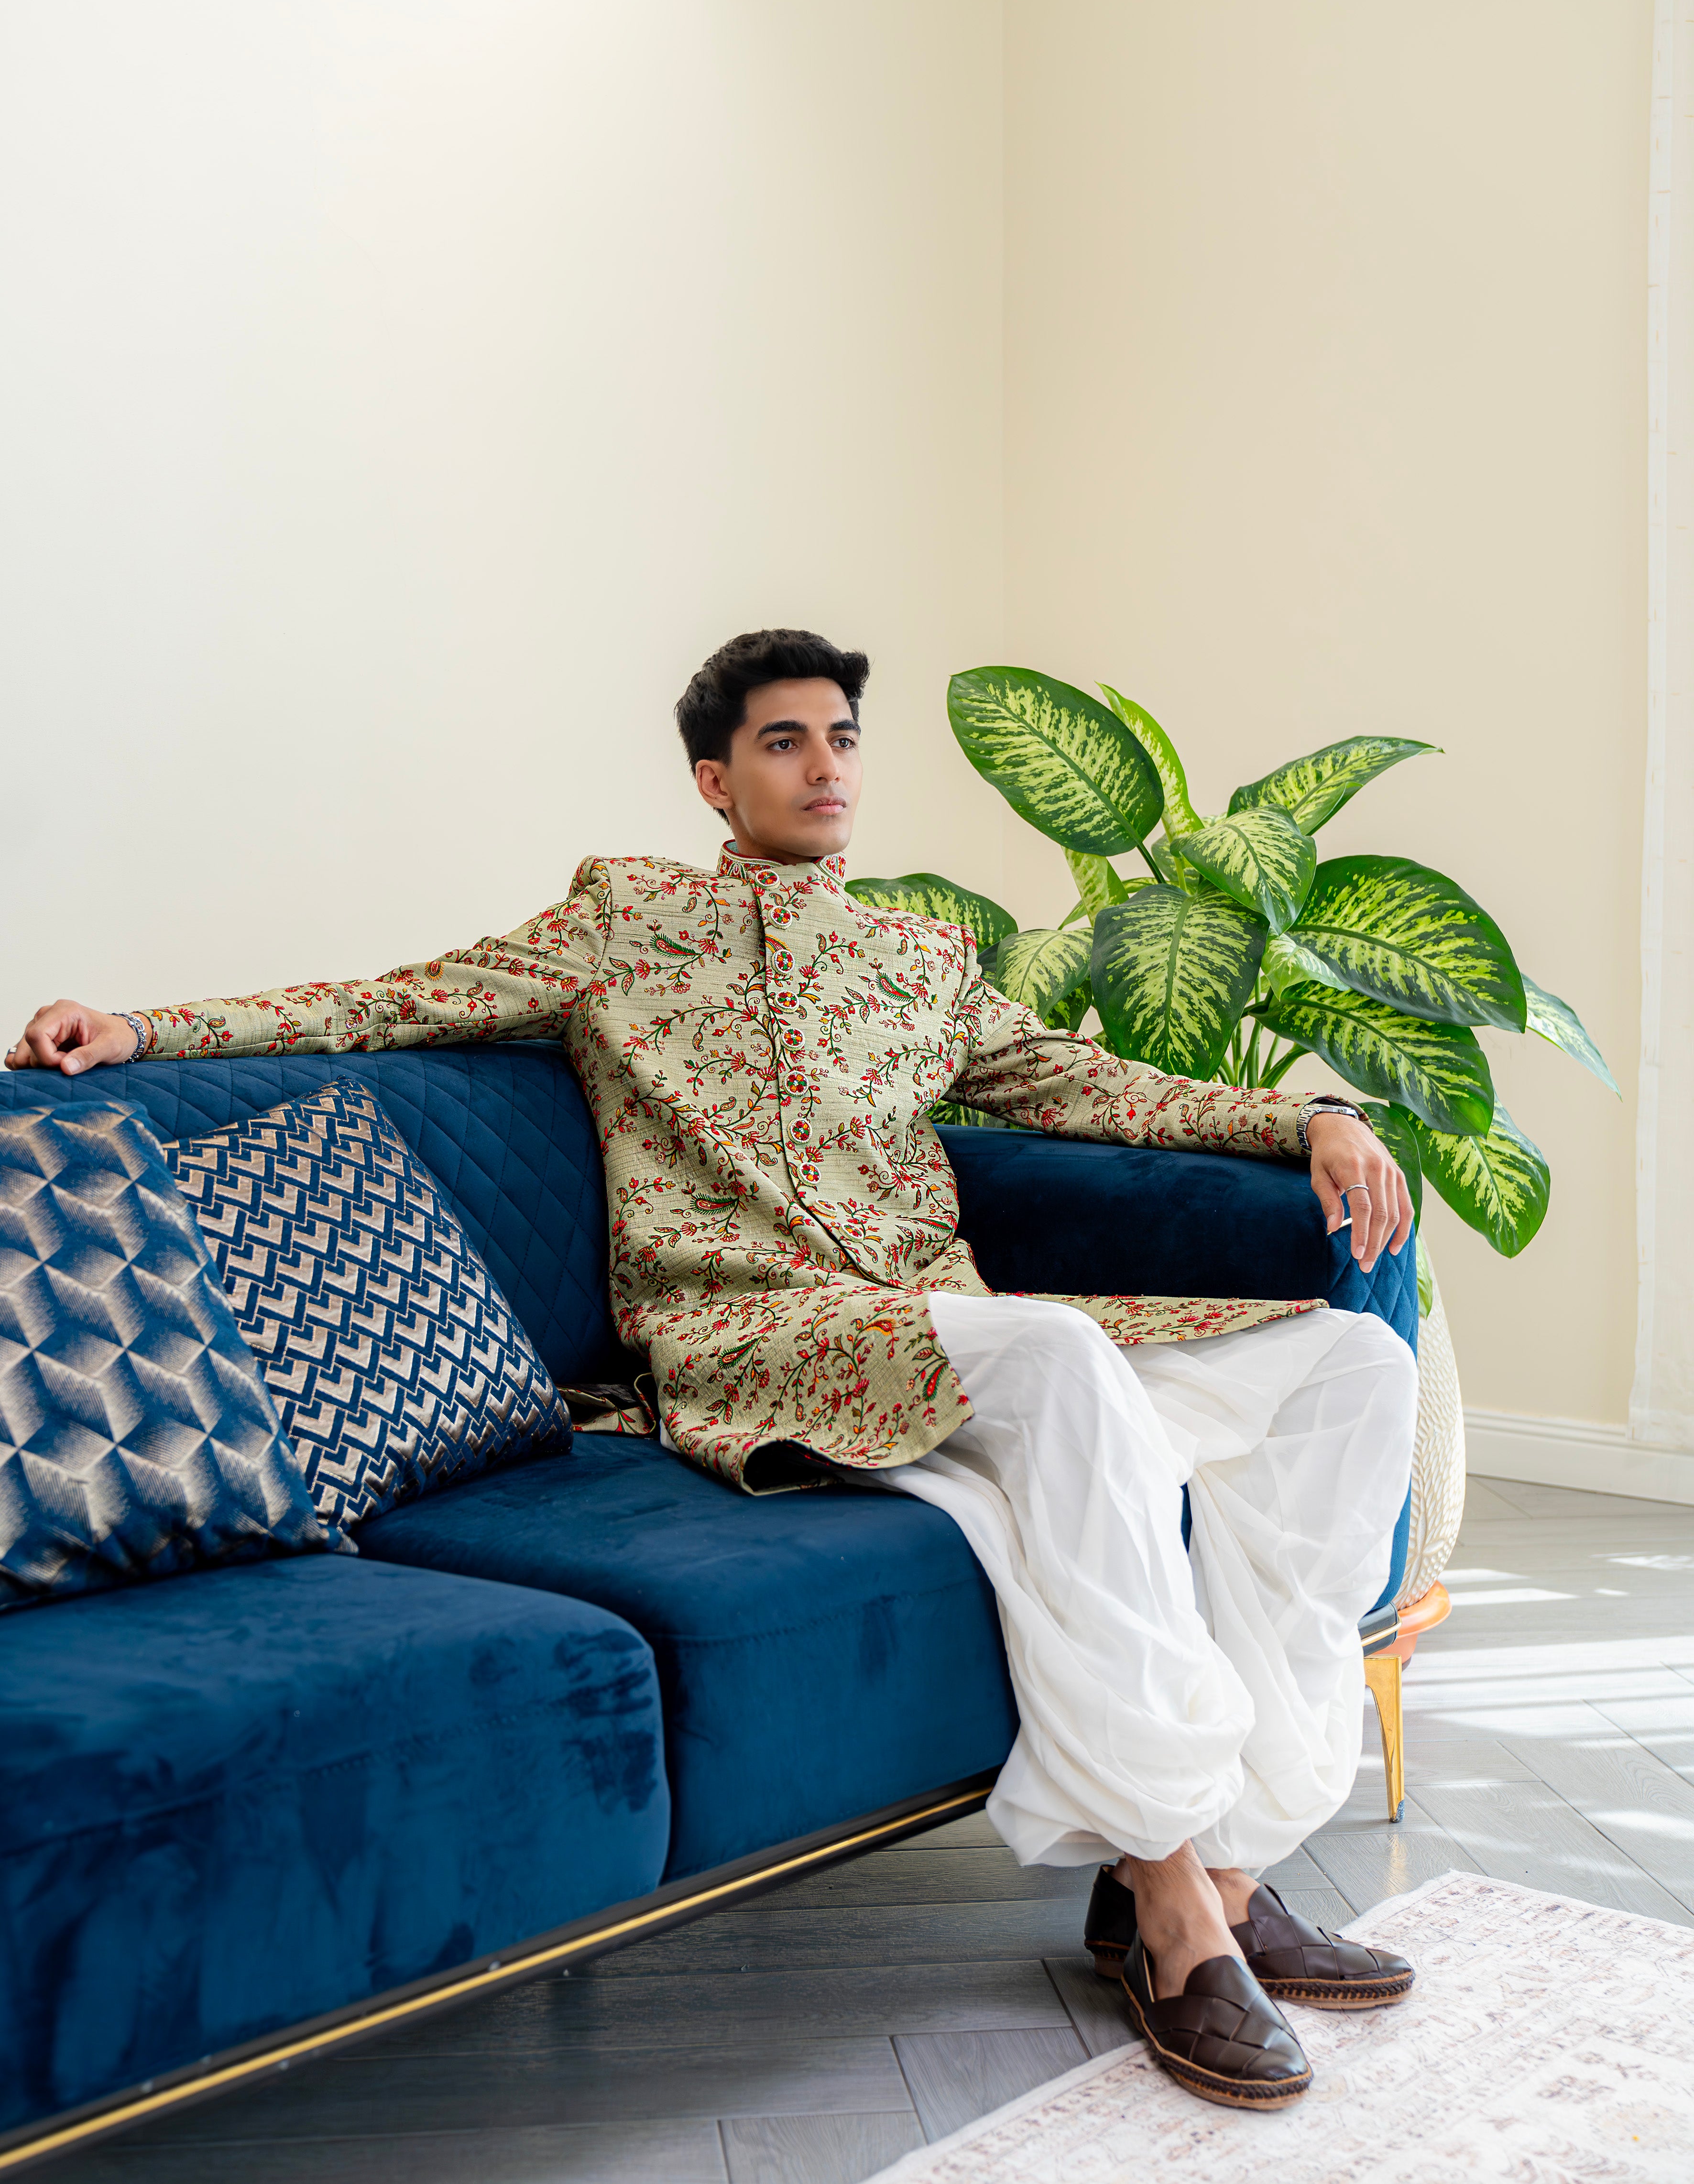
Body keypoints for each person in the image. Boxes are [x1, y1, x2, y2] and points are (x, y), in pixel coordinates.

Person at [11, 625, 1418, 2111]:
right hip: (756, 1340)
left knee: (1348, 1369)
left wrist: (1306, 1115)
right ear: (715, 776)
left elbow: (1093, 1083)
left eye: (845, 738)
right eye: (785, 740)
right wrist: (148, 1028)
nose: (827, 766)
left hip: (938, 1327)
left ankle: (1236, 1862)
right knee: (1062, 1360)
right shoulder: (624, 923)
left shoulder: (920, 962)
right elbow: (386, 1001)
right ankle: (1174, 1905)